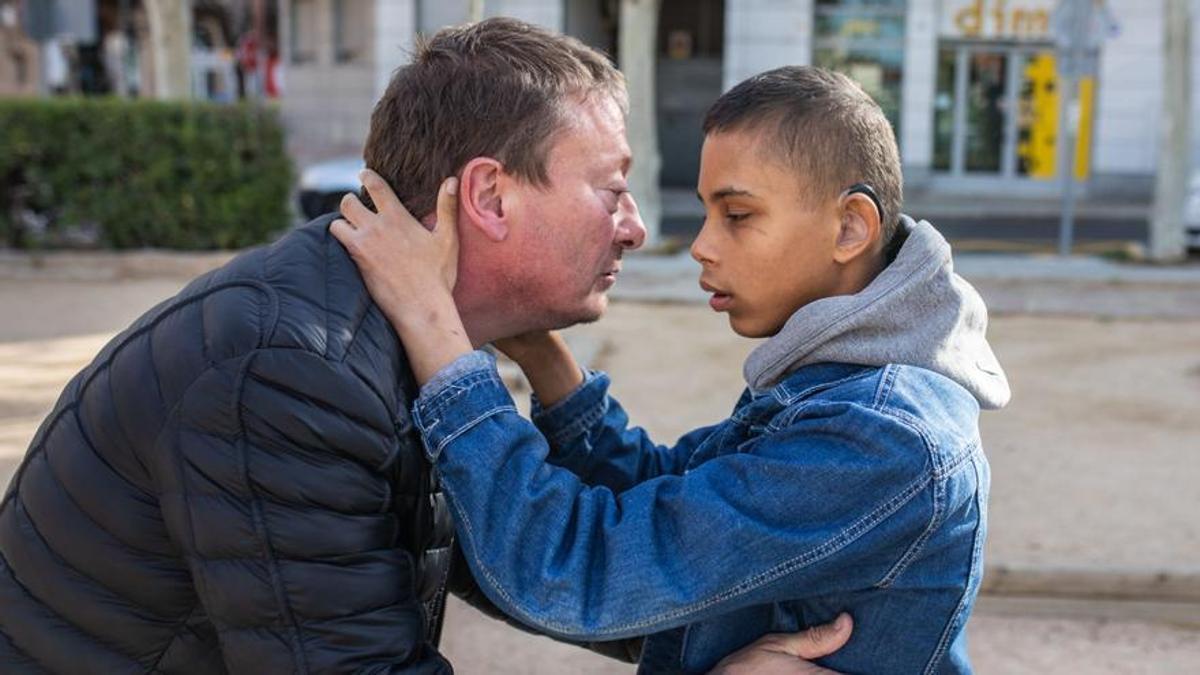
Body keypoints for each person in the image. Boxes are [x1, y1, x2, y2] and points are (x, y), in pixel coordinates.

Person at [0, 19, 844, 673]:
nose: (636, 227)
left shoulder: (396, 336)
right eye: (612, 189)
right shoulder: (288, 370)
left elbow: (558, 555)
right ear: (490, 195)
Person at [332, 65, 1011, 673]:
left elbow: (579, 569)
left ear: (850, 228)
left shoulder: (878, 435)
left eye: (738, 215)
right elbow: (663, 496)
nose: (702, 246)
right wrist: (538, 349)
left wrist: (435, 332)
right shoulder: (842, 387)